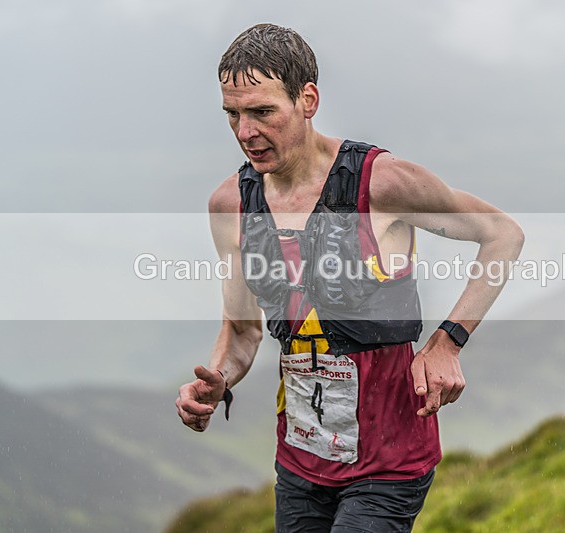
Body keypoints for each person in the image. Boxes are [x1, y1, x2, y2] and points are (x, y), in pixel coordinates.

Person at [175, 23, 524, 531]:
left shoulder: (382, 184)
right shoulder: (230, 206)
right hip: (300, 462)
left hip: (389, 463)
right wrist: (217, 380)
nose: (245, 132)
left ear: (308, 100)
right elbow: (244, 330)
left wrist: (449, 340)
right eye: (233, 114)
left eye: (263, 112)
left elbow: (503, 235)